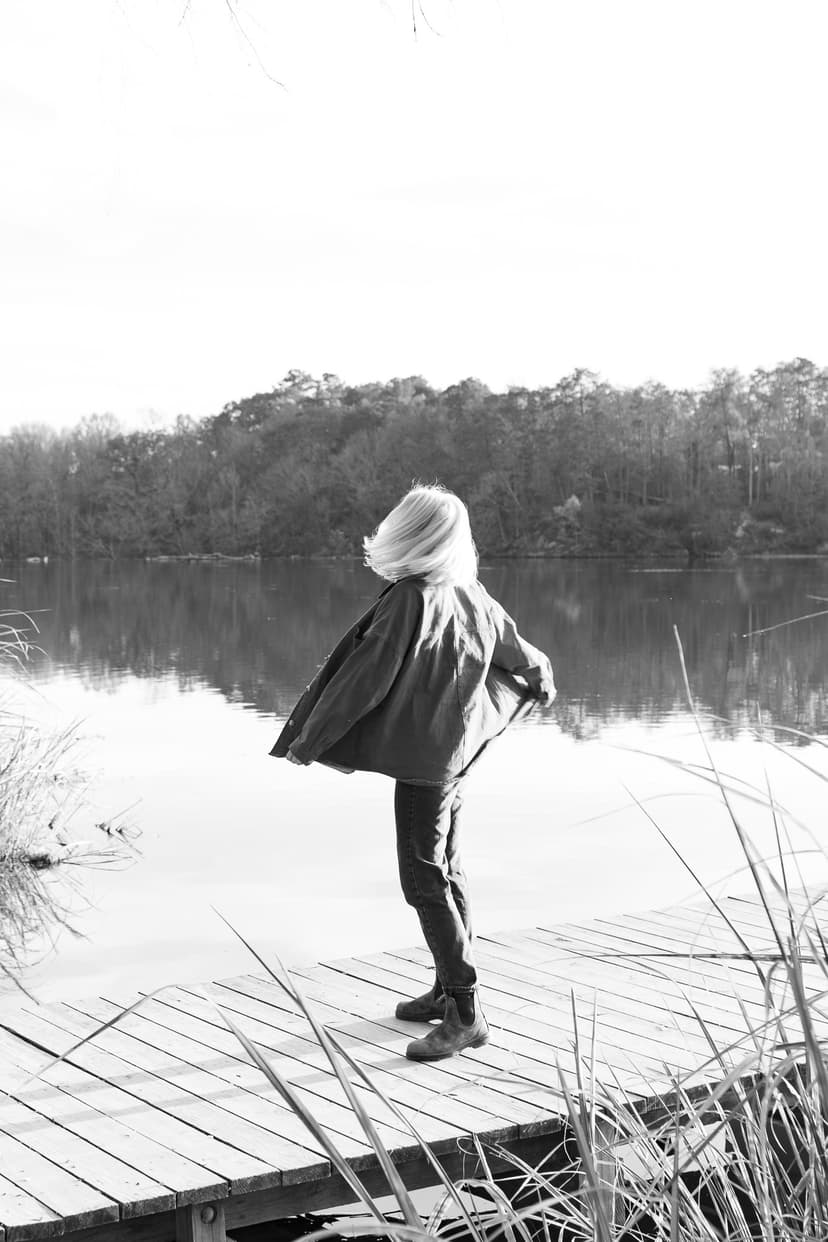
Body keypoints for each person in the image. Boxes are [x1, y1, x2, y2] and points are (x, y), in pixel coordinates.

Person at [270, 484, 555, 1061]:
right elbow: (531, 663)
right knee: (446, 866)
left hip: (427, 764)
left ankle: (466, 1012)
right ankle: (446, 990)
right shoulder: (470, 594)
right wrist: (533, 692)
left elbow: (363, 678)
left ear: (409, 533)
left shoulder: (408, 599)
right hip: (454, 759)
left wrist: (309, 740)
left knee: (423, 877)